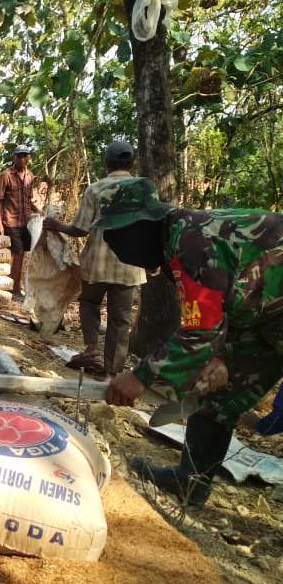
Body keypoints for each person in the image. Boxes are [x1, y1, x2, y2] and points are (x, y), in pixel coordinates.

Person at [96, 177, 283, 506]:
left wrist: (141, 377)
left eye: (118, 235)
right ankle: (190, 482)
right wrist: (219, 355)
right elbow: (224, 308)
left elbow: (198, 334)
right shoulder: (180, 239)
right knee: (216, 389)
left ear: (143, 225)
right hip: (268, 318)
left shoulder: (191, 243)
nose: (115, 245)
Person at [43, 141, 146, 376]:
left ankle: (91, 349)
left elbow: (81, 229)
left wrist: (56, 226)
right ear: (132, 163)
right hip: (129, 266)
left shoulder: (96, 190)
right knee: (121, 321)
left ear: (107, 163)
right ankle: (113, 372)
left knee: (89, 303)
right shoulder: (142, 190)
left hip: (97, 263)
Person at [0, 144, 40, 300]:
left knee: (22, 255)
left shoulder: (30, 176)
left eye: (25, 155)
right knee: (17, 254)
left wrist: (38, 211)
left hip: (25, 222)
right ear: (14, 157)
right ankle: (14, 289)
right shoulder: (6, 175)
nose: (22, 159)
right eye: (19, 156)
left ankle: (13, 286)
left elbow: (28, 199)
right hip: (11, 221)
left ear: (29, 158)